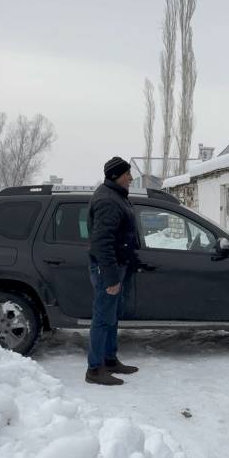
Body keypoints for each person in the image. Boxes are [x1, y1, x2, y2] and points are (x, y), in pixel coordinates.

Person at [85, 156, 141, 385]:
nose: (131, 177)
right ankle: (94, 369)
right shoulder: (108, 201)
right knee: (102, 318)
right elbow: (102, 243)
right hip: (108, 268)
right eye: (127, 174)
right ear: (115, 176)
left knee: (111, 316)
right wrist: (110, 278)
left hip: (118, 265)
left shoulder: (116, 196)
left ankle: (110, 360)